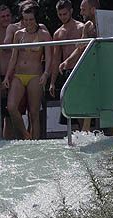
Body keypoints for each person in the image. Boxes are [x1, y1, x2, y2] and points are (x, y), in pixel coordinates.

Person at [2, 1, 52, 140]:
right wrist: (7, 77)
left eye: (31, 19)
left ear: (36, 19)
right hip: (18, 74)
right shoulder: (18, 34)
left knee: (34, 113)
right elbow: (13, 58)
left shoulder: (44, 34)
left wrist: (46, 74)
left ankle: (34, 142)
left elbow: (49, 57)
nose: (28, 22)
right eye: (25, 20)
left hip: (35, 75)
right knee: (11, 107)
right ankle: (25, 135)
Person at [59, 0, 100, 131]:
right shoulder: (87, 26)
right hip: (90, 70)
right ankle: (85, 132)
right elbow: (80, 47)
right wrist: (67, 61)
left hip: (104, 70)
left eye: (83, 9)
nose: (81, 12)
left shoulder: (105, 24)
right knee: (81, 98)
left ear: (93, 10)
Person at [48, 0, 84, 128]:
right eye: (60, 14)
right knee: (69, 106)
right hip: (66, 71)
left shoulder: (81, 28)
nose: (62, 17)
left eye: (65, 14)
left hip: (80, 69)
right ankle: (76, 135)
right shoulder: (58, 33)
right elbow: (56, 58)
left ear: (71, 12)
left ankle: (86, 132)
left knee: (82, 104)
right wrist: (52, 82)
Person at [0, 5, 14, 139]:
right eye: (2, 16)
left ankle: (10, 140)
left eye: (8, 15)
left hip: (13, 76)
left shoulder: (17, 31)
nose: (6, 18)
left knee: (10, 113)